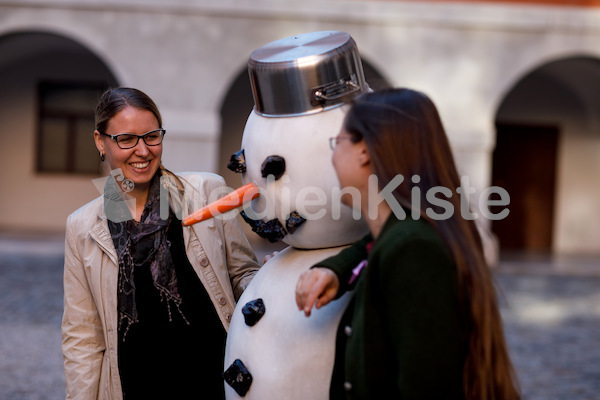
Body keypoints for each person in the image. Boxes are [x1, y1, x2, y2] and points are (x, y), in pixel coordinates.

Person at [295, 88, 520, 399]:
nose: (333, 156)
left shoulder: (413, 249)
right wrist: (336, 270)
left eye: (339, 142)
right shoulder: (405, 235)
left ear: (365, 152)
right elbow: (373, 247)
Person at [62, 87, 260, 400]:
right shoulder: (82, 226)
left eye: (152, 137)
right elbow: (83, 333)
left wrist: (275, 279)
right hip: (135, 384)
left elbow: (242, 276)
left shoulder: (207, 191)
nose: (143, 151)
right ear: (100, 141)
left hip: (212, 379)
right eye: (126, 139)